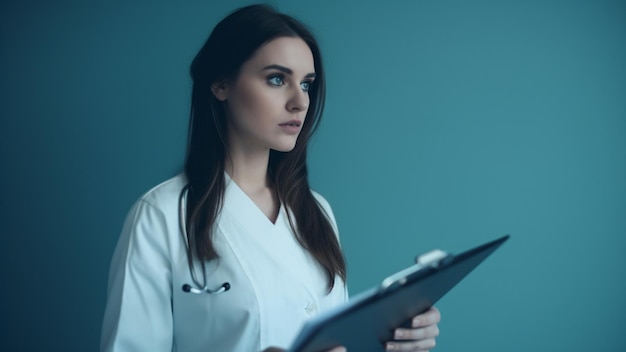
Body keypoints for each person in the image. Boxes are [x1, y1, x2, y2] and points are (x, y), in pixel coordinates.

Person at [100, 4, 440, 352]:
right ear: (220, 83)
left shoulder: (315, 210)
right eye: (277, 79)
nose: (299, 102)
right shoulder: (161, 216)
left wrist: (390, 342)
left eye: (306, 84)